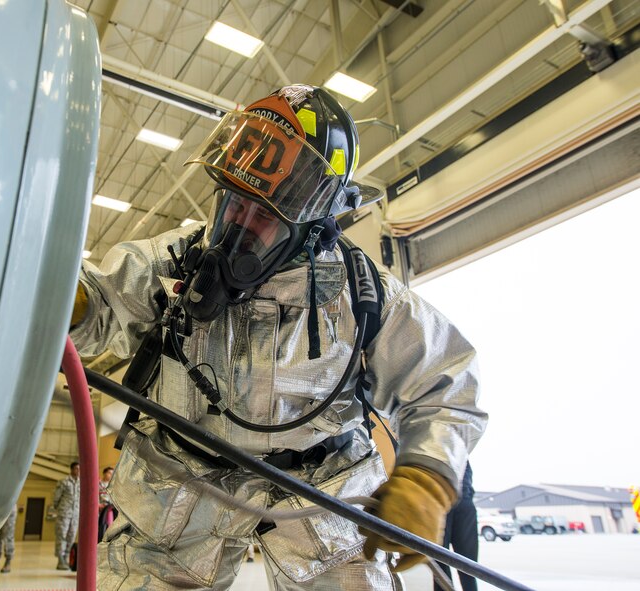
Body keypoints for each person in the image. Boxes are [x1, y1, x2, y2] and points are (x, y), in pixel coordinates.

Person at [70, 84, 487, 590]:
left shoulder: (365, 298)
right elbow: (99, 301)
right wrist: (72, 303)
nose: (238, 227)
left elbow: (448, 381)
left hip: (322, 494)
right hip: (178, 484)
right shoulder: (171, 260)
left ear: (311, 226)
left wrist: (427, 478)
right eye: (232, 203)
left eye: (264, 215)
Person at [434, 462, 478, 591]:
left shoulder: (460, 449)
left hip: (463, 503)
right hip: (440, 504)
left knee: (469, 567)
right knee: (440, 565)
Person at [53, 461, 81, 570]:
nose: (78, 471)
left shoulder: (81, 483)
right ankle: (60, 560)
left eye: (80, 469)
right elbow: (56, 498)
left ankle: (67, 558)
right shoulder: (64, 482)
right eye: (76, 469)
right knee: (61, 535)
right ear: (72, 469)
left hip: (75, 515)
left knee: (71, 536)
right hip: (64, 513)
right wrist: (59, 508)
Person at [98, 466, 117, 541]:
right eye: (109, 473)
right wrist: (98, 505)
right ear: (104, 473)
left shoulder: (113, 485)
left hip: (110, 509)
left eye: (112, 473)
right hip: (99, 509)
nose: (111, 475)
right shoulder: (98, 484)